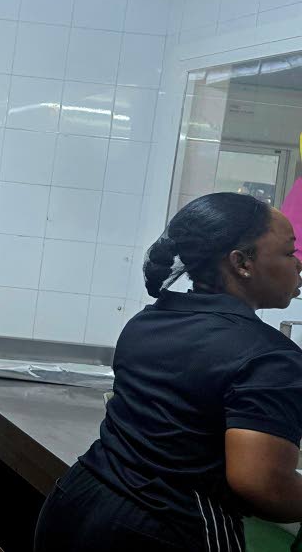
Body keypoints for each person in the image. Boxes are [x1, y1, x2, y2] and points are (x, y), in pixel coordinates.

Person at [35, 192, 302, 552]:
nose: (297, 265)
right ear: (241, 262)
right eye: (289, 253)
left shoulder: (149, 321)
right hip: (167, 527)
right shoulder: (270, 356)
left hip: (76, 501)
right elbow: (260, 483)